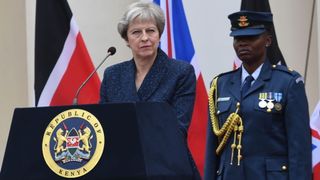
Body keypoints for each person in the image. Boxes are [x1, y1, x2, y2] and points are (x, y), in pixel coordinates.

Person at [204, 11, 312, 180]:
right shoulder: (220, 84)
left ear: (267, 40)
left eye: (251, 38)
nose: (243, 44)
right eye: (238, 39)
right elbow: (212, 149)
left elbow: (299, 149)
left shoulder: (288, 83)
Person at [99, 1, 200, 179]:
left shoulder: (180, 72)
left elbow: (177, 129)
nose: (145, 38)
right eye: (136, 32)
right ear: (126, 39)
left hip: (167, 168)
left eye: (151, 31)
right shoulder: (112, 75)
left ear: (159, 35)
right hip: (123, 168)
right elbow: (104, 124)